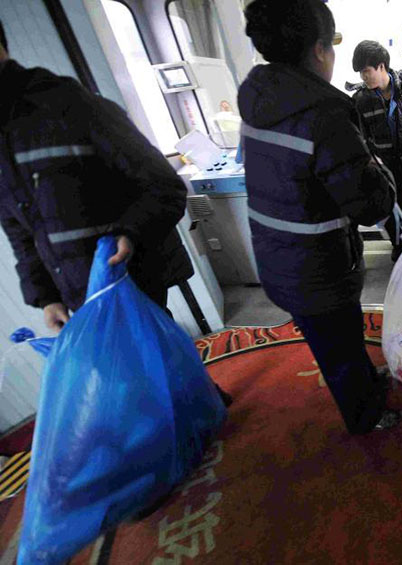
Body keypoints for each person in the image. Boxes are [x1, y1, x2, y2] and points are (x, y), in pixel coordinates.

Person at [0, 20, 233, 406]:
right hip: (77, 289)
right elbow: (19, 228)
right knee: (130, 378)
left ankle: (206, 412)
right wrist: (46, 297)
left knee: (156, 361)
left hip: (131, 274)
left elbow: (165, 186)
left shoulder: (70, 106)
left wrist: (130, 233)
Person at [240, 0, 399, 434]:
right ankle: (365, 417)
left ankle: (365, 382)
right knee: (339, 350)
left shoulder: (258, 99)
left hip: (279, 258)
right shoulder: (325, 114)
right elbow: (371, 205)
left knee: (334, 339)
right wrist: (378, 167)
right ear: (318, 50)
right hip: (318, 269)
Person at [351, 40, 402, 261]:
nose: (363, 77)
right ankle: (397, 245)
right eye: (360, 73)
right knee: (388, 210)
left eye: (366, 71)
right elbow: (361, 135)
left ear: (381, 66)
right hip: (383, 168)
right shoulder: (361, 100)